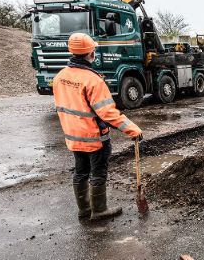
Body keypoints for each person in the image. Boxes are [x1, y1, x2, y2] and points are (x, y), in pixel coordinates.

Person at [53, 33, 143, 220]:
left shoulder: (60, 77)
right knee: (98, 172)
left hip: (73, 136)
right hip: (94, 137)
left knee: (80, 171)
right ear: (90, 53)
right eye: (93, 50)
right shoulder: (93, 80)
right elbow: (107, 113)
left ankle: (84, 209)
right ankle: (99, 211)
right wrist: (133, 129)